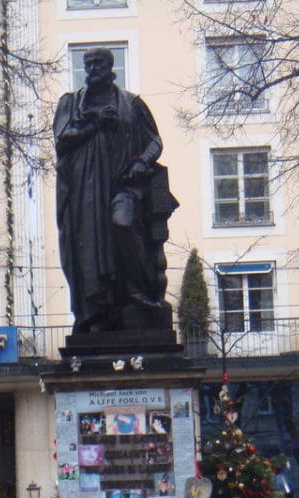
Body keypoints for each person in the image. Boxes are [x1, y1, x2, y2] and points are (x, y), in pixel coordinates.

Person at [54, 47, 177, 334]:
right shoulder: (72, 104)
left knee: (122, 224)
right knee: (88, 248)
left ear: (112, 68)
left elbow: (154, 141)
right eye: (88, 64)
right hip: (85, 193)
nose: (92, 68)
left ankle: (138, 290)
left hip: (123, 186)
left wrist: (142, 161)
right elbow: (62, 141)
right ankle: (99, 311)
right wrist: (95, 124)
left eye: (98, 63)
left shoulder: (131, 103)